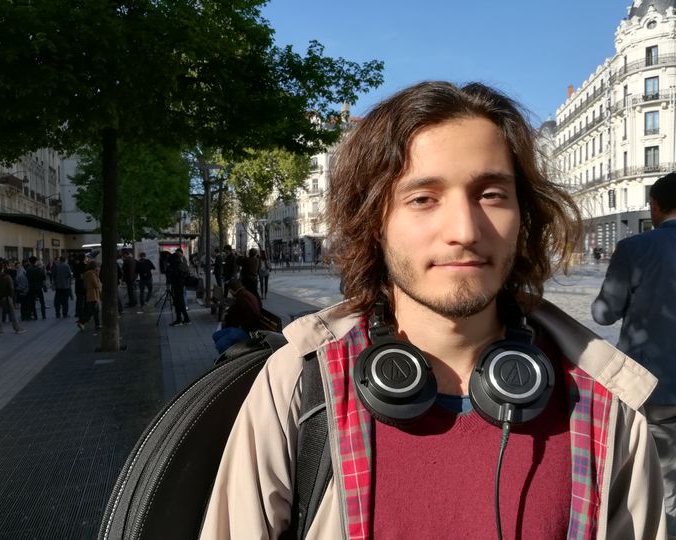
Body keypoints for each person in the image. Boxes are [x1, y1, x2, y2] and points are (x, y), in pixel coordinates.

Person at [201, 81, 666, 538]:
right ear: (374, 222)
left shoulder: (607, 406)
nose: (464, 229)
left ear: (523, 214)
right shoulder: (300, 386)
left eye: (491, 194)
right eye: (423, 198)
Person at [592, 170, 676, 536]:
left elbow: (603, 314)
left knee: (653, 472)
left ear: (655, 206)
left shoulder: (635, 248)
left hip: (651, 384)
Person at [212, 278, 262, 354]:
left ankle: (229, 359)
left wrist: (225, 322)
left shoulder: (241, 298)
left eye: (229, 290)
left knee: (220, 344)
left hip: (248, 331)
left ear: (232, 289)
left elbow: (234, 319)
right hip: (246, 328)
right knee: (216, 335)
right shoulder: (244, 294)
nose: (229, 292)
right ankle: (223, 357)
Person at [0, 262, 26, 335]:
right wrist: (11, 296)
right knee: (12, 313)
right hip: (6, 298)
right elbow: (11, 288)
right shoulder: (7, 276)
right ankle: (17, 328)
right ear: (2, 269)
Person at [167, 248, 190, 327]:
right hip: (179, 285)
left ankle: (180, 319)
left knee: (179, 302)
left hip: (178, 286)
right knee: (180, 302)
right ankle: (185, 319)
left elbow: (177, 275)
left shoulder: (177, 265)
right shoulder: (180, 263)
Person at [77, 260, 101, 331]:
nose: (98, 267)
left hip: (91, 293)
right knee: (92, 311)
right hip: (93, 294)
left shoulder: (88, 273)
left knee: (95, 310)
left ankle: (97, 324)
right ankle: (82, 322)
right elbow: (96, 284)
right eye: (97, 266)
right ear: (94, 266)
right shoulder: (91, 273)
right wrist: (97, 275)